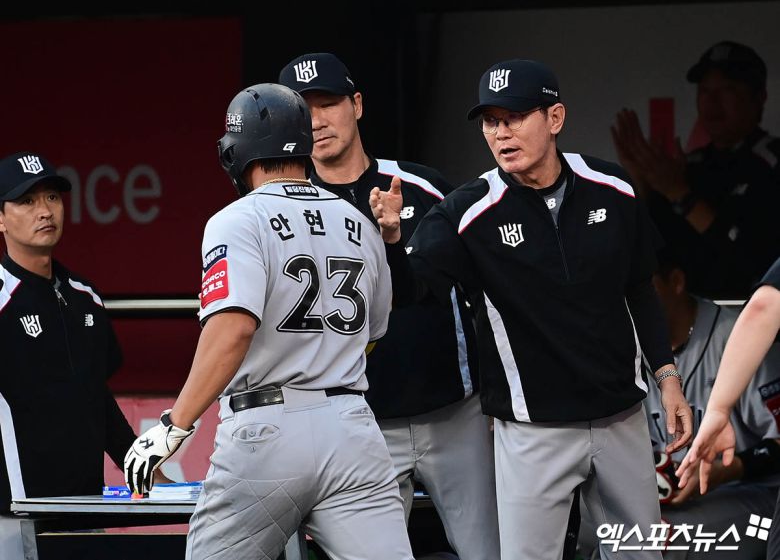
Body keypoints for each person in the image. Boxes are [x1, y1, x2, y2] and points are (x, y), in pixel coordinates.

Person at [370, 58, 694, 560]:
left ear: (555, 118)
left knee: (643, 555)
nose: (501, 133)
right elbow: (409, 292)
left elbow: (639, 289)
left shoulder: (613, 186)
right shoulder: (466, 211)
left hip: (621, 419)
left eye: (515, 117)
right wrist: (392, 241)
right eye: (490, 121)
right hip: (532, 431)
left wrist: (668, 378)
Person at [123, 83, 414, 560]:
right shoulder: (360, 222)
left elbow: (233, 329)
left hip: (266, 425)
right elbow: (374, 332)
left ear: (238, 153)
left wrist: (175, 425)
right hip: (352, 426)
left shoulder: (237, 219)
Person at [278, 51, 499, 560]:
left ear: (356, 105)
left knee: (489, 551)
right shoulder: (286, 209)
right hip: (360, 424)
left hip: (455, 413)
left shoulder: (422, 185)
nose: (317, 121)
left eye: (328, 104)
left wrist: (496, 394)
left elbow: (486, 288)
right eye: (303, 111)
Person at [578, 248, 779, 559]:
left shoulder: (739, 338)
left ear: (676, 281)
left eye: (640, 287)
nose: (628, 300)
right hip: (657, 498)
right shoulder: (616, 349)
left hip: (747, 495)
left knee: (655, 540)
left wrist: (725, 471)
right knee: (569, 518)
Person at [0, 151, 162, 513]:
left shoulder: (85, 296)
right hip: (16, 513)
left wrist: (145, 468)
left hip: (86, 505)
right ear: (1, 219)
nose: (45, 211)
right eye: (26, 201)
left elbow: (96, 400)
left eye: (52, 197)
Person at [612, 40, 780, 300]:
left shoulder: (771, 163)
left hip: (755, 317)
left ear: (759, 98)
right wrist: (641, 183)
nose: (712, 102)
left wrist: (681, 195)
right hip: (691, 320)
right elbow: (652, 253)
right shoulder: (689, 166)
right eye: (704, 90)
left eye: (727, 90)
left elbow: (751, 259)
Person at [677, 254, 780, 559]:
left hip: (753, 494)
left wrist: (718, 409)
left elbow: (764, 306)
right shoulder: (627, 347)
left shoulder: (722, 331)